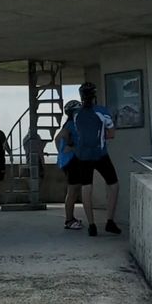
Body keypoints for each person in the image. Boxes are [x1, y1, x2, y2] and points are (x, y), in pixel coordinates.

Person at [71, 82, 122, 237]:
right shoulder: (102, 112)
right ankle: (110, 221)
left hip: (82, 156)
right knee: (113, 185)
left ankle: (91, 225)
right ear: (95, 95)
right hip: (100, 154)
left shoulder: (76, 114)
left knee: (86, 188)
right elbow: (111, 134)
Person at [55, 100, 83, 230]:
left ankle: (71, 218)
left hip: (69, 160)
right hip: (71, 161)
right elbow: (60, 137)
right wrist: (69, 147)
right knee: (72, 190)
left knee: (75, 189)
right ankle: (69, 220)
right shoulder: (71, 124)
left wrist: (60, 152)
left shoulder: (71, 124)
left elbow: (57, 139)